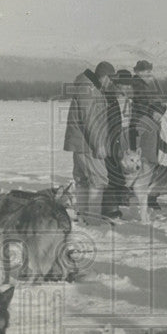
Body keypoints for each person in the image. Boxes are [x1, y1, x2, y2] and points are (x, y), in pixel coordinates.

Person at [63, 60, 116, 219]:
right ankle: (92, 218)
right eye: (111, 79)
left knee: (83, 180)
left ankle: (85, 216)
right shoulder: (88, 89)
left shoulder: (88, 87)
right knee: (98, 179)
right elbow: (89, 119)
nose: (111, 83)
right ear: (104, 77)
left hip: (81, 143)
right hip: (87, 144)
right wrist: (98, 144)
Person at [102, 69, 135, 218]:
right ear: (117, 84)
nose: (127, 88)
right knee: (112, 171)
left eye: (129, 86)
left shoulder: (130, 101)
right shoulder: (108, 99)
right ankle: (110, 208)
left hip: (126, 136)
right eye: (124, 85)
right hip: (112, 137)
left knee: (124, 171)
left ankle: (120, 201)